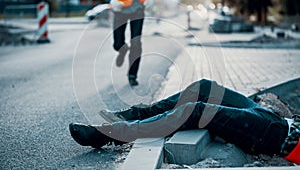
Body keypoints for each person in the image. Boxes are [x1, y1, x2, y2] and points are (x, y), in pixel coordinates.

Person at [69, 79, 300, 164]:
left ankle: (112, 133)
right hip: (279, 120)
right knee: (205, 88)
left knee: (196, 111)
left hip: (279, 137)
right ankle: (131, 115)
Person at [103, 0, 156, 86]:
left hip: (138, 7)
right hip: (120, 7)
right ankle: (122, 49)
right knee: (117, 43)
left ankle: (132, 75)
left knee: (136, 42)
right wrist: (111, 0)